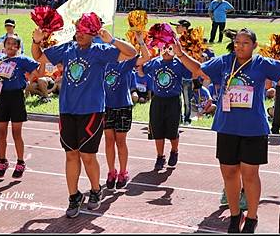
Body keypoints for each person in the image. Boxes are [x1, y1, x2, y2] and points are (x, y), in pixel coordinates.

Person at [176, 28, 280, 233]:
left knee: (250, 174)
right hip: (227, 127)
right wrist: (181, 53)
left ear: (254, 45)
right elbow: (199, 69)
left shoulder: (262, 63)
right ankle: (235, 215)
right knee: (229, 173)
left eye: (244, 43)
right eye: (237, 42)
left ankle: (252, 217)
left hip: (253, 128)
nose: (239, 46)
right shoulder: (225, 61)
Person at [31, 13, 137, 218]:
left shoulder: (100, 50)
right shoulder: (67, 49)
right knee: (70, 154)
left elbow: (131, 53)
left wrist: (112, 40)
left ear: (93, 33)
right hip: (67, 110)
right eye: (78, 29)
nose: (80, 33)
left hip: (91, 111)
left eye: (85, 30)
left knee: (88, 155)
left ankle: (96, 189)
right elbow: (38, 56)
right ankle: (74, 196)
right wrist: (36, 40)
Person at [0, 35, 43, 179]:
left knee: (17, 133)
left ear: (18, 47)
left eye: (14, 44)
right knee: (1, 132)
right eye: (8, 43)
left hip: (16, 97)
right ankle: (2, 161)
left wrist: (28, 80)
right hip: (2, 97)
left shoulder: (22, 59)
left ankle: (20, 162)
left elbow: (38, 72)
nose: (10, 46)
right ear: (4, 45)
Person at [104, 32, 151, 190]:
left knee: (120, 141)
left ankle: (123, 172)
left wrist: (140, 42)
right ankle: (111, 171)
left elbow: (146, 57)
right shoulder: (102, 63)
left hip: (123, 106)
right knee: (109, 141)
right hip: (106, 107)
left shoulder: (126, 63)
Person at [142, 29, 192, 171]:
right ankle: (160, 156)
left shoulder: (178, 64)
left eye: (169, 48)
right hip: (158, 100)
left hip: (173, 101)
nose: (166, 51)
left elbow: (190, 73)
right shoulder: (155, 63)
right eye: (163, 47)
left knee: (172, 130)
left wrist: (184, 54)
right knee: (157, 129)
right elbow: (142, 69)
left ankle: (174, 151)